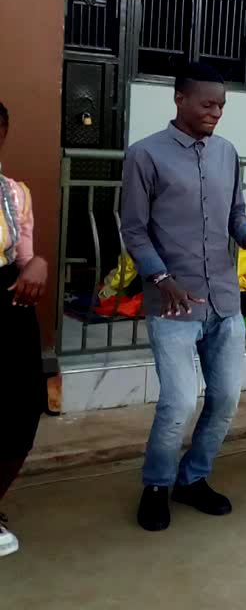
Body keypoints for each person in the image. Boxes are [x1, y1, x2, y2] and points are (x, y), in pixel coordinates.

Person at [121, 63, 246, 531]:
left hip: (224, 300)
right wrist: (160, 277)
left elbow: (236, 213)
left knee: (226, 398)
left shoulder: (227, 154)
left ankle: (192, 478)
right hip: (173, 304)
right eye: (207, 103)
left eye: (222, 105)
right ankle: (157, 485)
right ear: (180, 99)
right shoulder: (144, 155)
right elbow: (134, 230)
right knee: (178, 403)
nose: (216, 112)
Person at [0, 101, 51, 557]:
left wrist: (38, 264)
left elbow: (25, 257)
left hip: (8, 305)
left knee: (20, 412)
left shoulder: (15, 195)